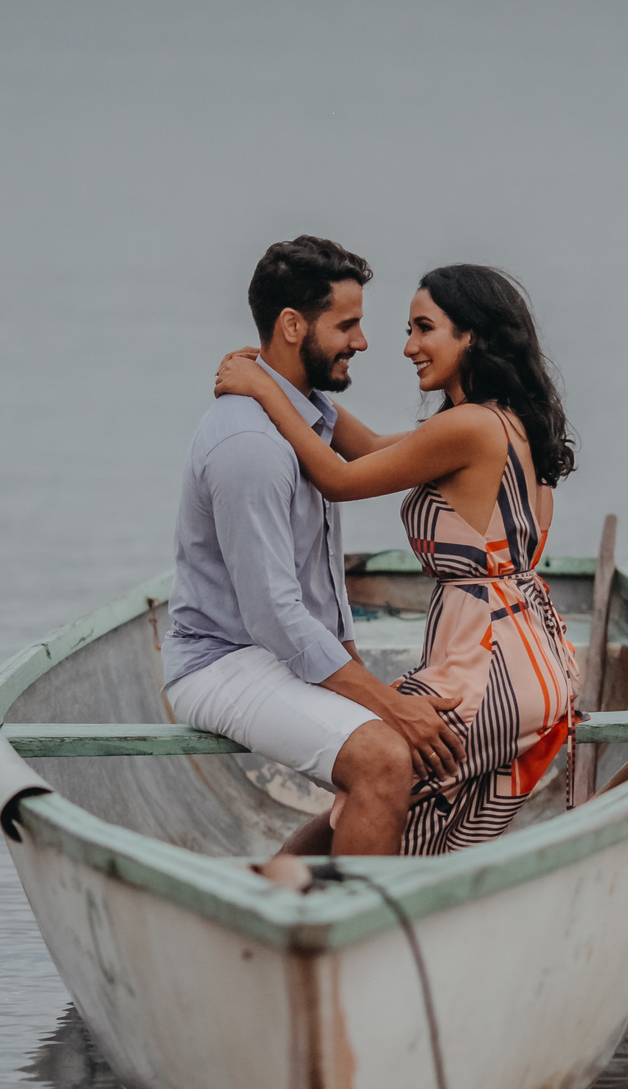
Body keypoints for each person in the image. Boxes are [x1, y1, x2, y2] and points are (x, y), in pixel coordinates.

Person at [214, 263, 581, 856]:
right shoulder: (502, 422)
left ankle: (294, 899)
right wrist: (289, 384)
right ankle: (294, 892)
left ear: (472, 336)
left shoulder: (468, 427)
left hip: (488, 668)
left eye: (424, 328)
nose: (408, 347)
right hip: (527, 659)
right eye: (410, 330)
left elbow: (338, 479)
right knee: (385, 814)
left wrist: (264, 391)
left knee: (370, 768)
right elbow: (363, 447)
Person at [163, 235, 465, 858]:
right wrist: (388, 706)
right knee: (384, 757)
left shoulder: (307, 414)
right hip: (224, 661)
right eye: (346, 325)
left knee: (406, 754)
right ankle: (348, 918)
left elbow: (379, 455)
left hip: (276, 652)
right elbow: (274, 616)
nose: (363, 342)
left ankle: (276, 890)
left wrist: (484, 419)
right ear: (292, 326)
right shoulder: (250, 445)